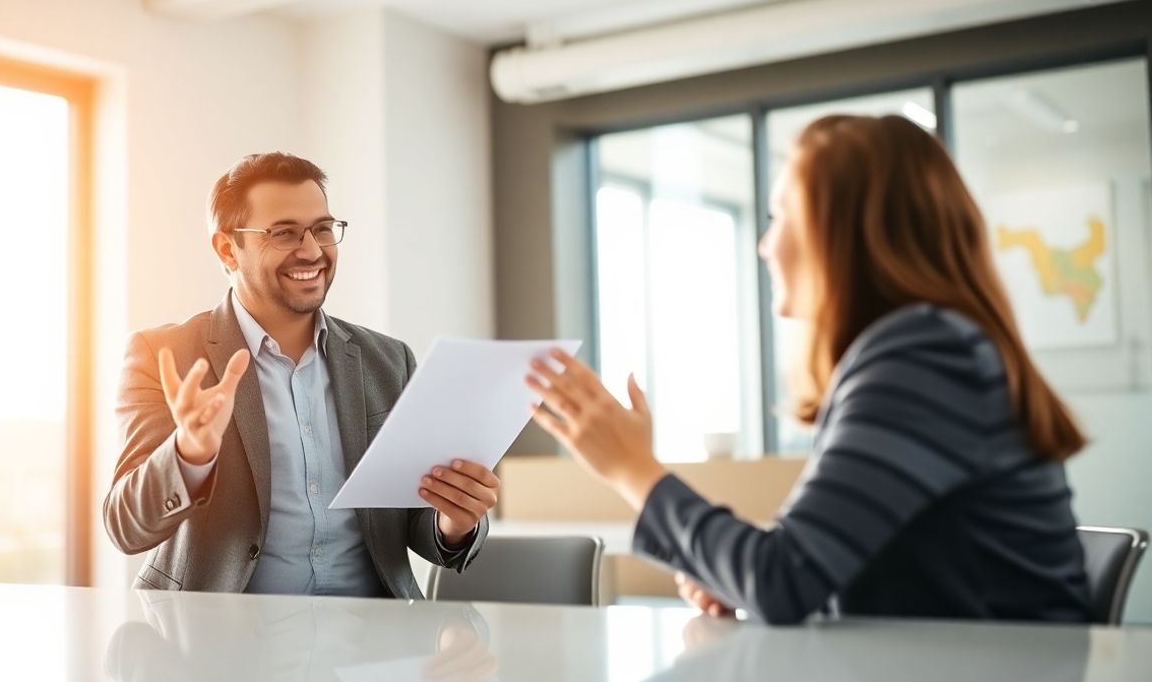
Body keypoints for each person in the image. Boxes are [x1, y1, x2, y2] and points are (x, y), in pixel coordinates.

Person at [527, 115, 1093, 624]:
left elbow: (783, 577)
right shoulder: (925, 348)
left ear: (840, 230)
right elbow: (816, 566)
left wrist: (633, 470)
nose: (764, 245)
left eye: (781, 216)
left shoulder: (923, 357)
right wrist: (733, 574)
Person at [103, 152, 498, 597]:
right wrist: (188, 453)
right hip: (223, 647)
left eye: (323, 229)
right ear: (228, 248)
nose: (311, 251)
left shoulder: (389, 361)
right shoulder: (163, 355)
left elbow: (413, 522)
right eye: (284, 233)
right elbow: (125, 527)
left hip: (370, 646)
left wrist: (454, 521)